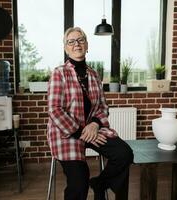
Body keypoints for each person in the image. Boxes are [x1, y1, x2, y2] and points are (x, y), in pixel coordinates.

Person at [47, 27, 134, 200]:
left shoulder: (94, 74)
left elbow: (102, 106)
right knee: (79, 182)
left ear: (87, 45)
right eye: (71, 41)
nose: (76, 44)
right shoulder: (59, 73)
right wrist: (82, 133)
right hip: (66, 134)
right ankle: (91, 184)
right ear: (66, 48)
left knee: (124, 154)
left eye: (80, 40)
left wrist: (94, 124)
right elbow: (55, 110)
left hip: (92, 129)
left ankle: (100, 183)